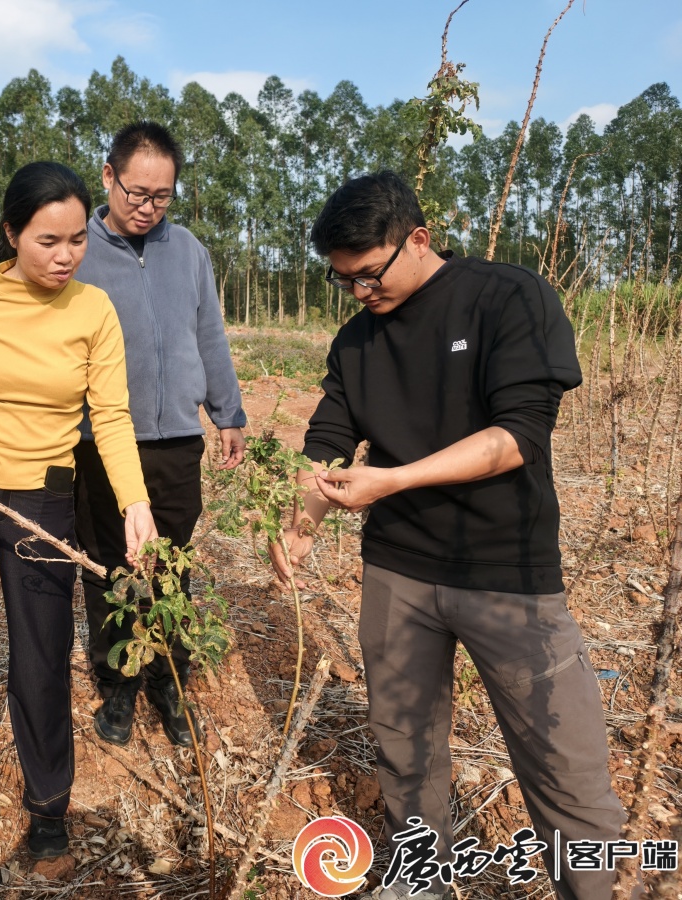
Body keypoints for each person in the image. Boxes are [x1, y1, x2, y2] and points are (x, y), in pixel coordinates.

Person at [270, 171, 626, 900]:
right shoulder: (357, 341)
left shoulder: (507, 297)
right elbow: (329, 439)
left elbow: (517, 437)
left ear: (419, 239)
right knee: (407, 755)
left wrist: (392, 481)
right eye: (345, 283)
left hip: (507, 573)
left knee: (565, 767)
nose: (361, 294)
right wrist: (302, 519)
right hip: (399, 573)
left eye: (369, 275)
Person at [0, 161, 157, 898]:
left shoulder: (94, 310)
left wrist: (134, 502)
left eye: (78, 239)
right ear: (11, 233)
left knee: (41, 663)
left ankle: (49, 808)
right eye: (48, 239)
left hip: (44, 506)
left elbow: (110, 416)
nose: (65, 255)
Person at [73, 121, 246, 748]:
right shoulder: (77, 250)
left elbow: (210, 336)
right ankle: (118, 681)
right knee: (107, 563)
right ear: (107, 177)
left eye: (162, 196)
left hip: (176, 440)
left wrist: (228, 412)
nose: (147, 208)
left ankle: (169, 677)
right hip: (97, 444)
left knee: (171, 564)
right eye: (136, 193)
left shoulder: (190, 252)